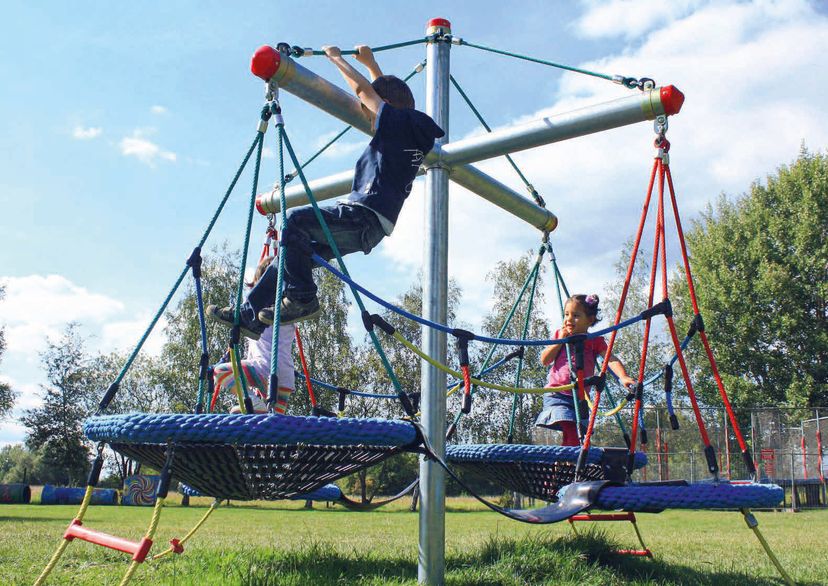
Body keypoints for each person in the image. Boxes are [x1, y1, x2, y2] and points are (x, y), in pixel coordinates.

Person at [207, 44, 444, 335]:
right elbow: (383, 95)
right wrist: (371, 64)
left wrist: (336, 59)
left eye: (371, 113)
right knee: (288, 255)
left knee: (295, 222)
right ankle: (249, 316)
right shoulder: (406, 128)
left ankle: (303, 298)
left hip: (362, 217)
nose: (369, 119)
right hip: (369, 227)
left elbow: (364, 92)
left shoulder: (396, 122)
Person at [535, 294, 636, 446]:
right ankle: (569, 460)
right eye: (566, 314)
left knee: (574, 435)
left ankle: (562, 463)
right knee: (571, 431)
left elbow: (611, 359)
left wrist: (623, 377)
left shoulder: (595, 340)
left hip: (580, 397)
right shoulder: (560, 335)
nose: (569, 319)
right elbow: (545, 360)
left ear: (590, 320)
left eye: (575, 315)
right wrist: (560, 340)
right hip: (558, 393)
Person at [210, 256, 296, 414]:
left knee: (220, 371)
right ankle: (255, 404)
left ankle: (250, 400)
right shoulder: (290, 312)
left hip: (264, 369)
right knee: (273, 425)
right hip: (286, 377)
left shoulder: (258, 312)